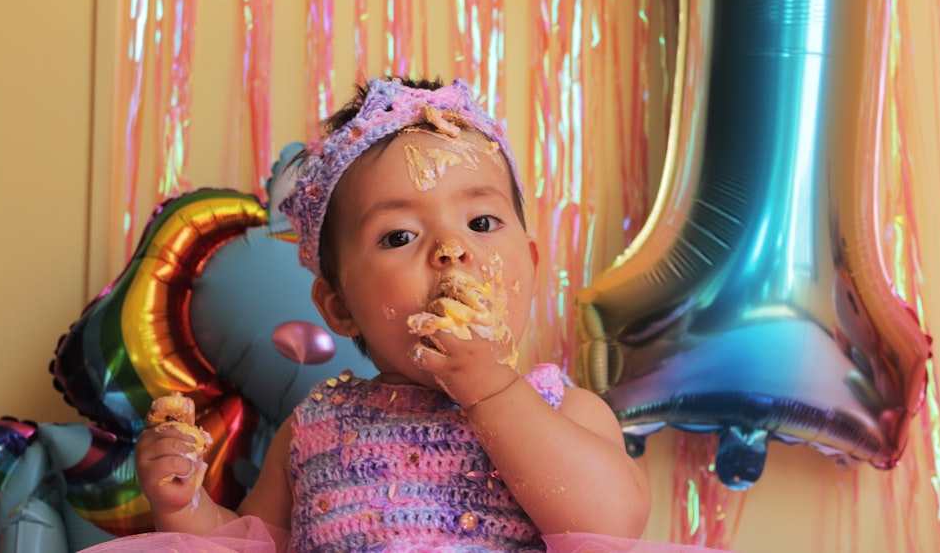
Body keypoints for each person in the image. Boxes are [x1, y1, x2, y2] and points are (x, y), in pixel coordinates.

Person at [115, 76, 653, 551]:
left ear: (531, 265)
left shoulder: (562, 410)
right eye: (399, 236)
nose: (451, 249)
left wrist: (491, 389)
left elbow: (610, 525)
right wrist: (185, 508)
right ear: (339, 307)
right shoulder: (313, 428)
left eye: (482, 223)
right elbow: (254, 545)